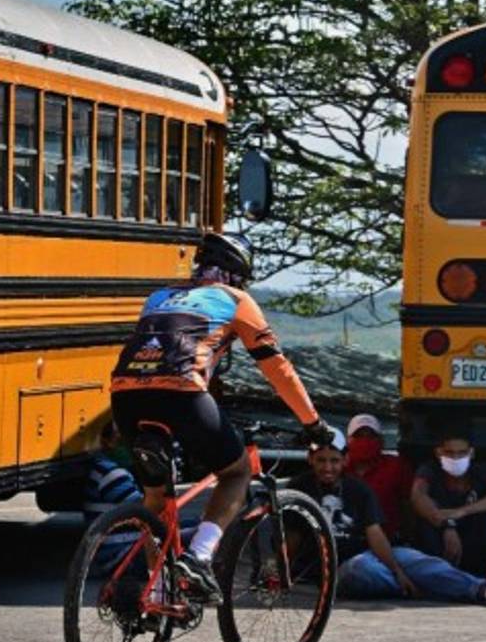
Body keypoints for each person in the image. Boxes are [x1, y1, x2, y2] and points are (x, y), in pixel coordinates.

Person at [109, 232, 332, 602]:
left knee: (155, 498)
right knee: (236, 471)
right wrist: (313, 423)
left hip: (125, 395)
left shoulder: (159, 296)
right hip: (181, 392)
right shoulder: (236, 299)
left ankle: (159, 592)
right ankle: (198, 557)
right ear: (238, 273)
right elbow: (278, 369)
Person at [290, 434, 486, 606]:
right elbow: (289, 537)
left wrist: (398, 570)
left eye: (334, 460)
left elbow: (375, 534)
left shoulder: (358, 490)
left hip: (369, 553)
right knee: (361, 570)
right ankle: (420, 588)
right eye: (321, 460)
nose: (327, 467)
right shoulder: (298, 487)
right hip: (334, 568)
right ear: (310, 459)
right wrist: (279, 571)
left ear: (345, 460)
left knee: (418, 561)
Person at [411, 431, 486, 580]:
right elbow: (417, 496)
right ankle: (436, 572)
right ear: (439, 453)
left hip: (474, 539)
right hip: (443, 539)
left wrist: (462, 511)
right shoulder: (429, 470)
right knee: (425, 515)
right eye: (449, 453)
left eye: (462, 453)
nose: (456, 458)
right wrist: (447, 525)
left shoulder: (482, 471)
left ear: (471, 453)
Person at [344, 413, 415, 543]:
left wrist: (408, 538)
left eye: (371, 436)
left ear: (381, 440)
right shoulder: (339, 469)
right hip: (349, 544)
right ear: (348, 440)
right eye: (359, 436)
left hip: (391, 542)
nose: (365, 441)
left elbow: (408, 505)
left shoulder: (397, 466)